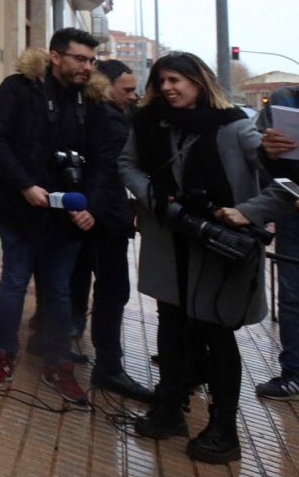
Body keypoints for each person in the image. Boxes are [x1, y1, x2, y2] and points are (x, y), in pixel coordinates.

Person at [122, 54, 290, 463]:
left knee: (216, 335)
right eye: (160, 80)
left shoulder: (235, 126)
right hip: (170, 241)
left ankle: (224, 429)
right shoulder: (149, 122)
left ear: (200, 82)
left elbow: (284, 184)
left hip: (218, 247)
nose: (166, 88)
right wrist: (159, 201)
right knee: (171, 325)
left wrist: (247, 212)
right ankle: (169, 408)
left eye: (176, 79)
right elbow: (127, 165)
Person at [0, 29, 121, 407]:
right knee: (14, 280)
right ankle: (2, 354)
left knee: (58, 289)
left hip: (68, 215)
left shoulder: (92, 102)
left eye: (92, 61)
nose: (87, 67)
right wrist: (25, 185)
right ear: (56, 56)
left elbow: (106, 159)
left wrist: (90, 204)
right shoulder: (19, 88)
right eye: (79, 59)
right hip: (20, 208)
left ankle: (59, 363)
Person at [64, 59, 154, 402]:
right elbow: (107, 171)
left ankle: (85, 351)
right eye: (127, 90)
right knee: (113, 292)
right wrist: (92, 209)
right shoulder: (108, 120)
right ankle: (109, 367)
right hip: (105, 219)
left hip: (97, 215)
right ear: (107, 85)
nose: (133, 97)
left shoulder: (91, 112)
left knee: (89, 283)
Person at [253, 85, 299, 399]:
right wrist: (267, 150)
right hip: (292, 208)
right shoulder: (284, 100)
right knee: (293, 296)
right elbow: (257, 157)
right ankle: (294, 372)